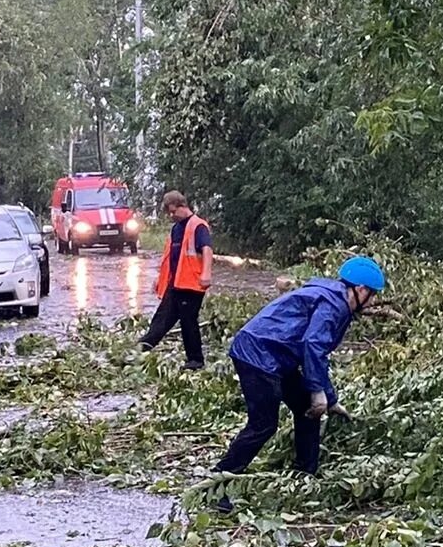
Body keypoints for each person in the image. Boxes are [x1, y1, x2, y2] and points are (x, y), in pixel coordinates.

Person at [213, 256, 386, 480]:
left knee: (308, 410)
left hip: (278, 356)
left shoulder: (334, 298)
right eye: (372, 294)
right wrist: (318, 391)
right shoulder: (334, 305)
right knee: (264, 424)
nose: (373, 302)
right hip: (258, 355)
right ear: (361, 290)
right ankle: (220, 479)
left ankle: (305, 475)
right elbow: (313, 346)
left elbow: (316, 353)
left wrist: (330, 401)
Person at [140, 191, 212, 369]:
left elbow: (207, 250)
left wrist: (206, 274)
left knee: (188, 321)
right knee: (163, 317)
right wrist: (160, 279)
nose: (171, 216)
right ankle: (142, 348)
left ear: (182, 206)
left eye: (173, 212)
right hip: (176, 283)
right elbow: (171, 258)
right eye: (169, 213)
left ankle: (195, 360)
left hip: (192, 284)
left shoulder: (197, 226)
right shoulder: (176, 228)